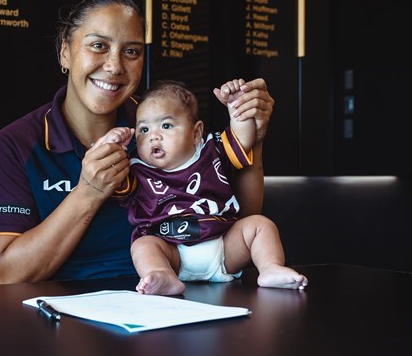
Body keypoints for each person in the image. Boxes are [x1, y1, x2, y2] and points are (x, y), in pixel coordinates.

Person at [0, 0, 276, 284]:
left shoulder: (162, 128)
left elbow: (232, 224)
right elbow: (9, 275)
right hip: (64, 308)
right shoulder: (16, 143)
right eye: (98, 46)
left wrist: (255, 139)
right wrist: (89, 191)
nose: (114, 66)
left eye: (131, 51)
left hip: (170, 297)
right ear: (65, 52)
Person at [93, 78, 308, 296]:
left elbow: (243, 140)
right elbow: (114, 183)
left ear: (196, 133)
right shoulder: (136, 169)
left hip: (223, 246)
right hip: (172, 251)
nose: (153, 136)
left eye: (166, 126)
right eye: (144, 129)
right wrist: (112, 146)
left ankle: (270, 268)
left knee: (260, 225)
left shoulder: (210, 151)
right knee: (143, 244)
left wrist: (236, 109)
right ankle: (161, 275)